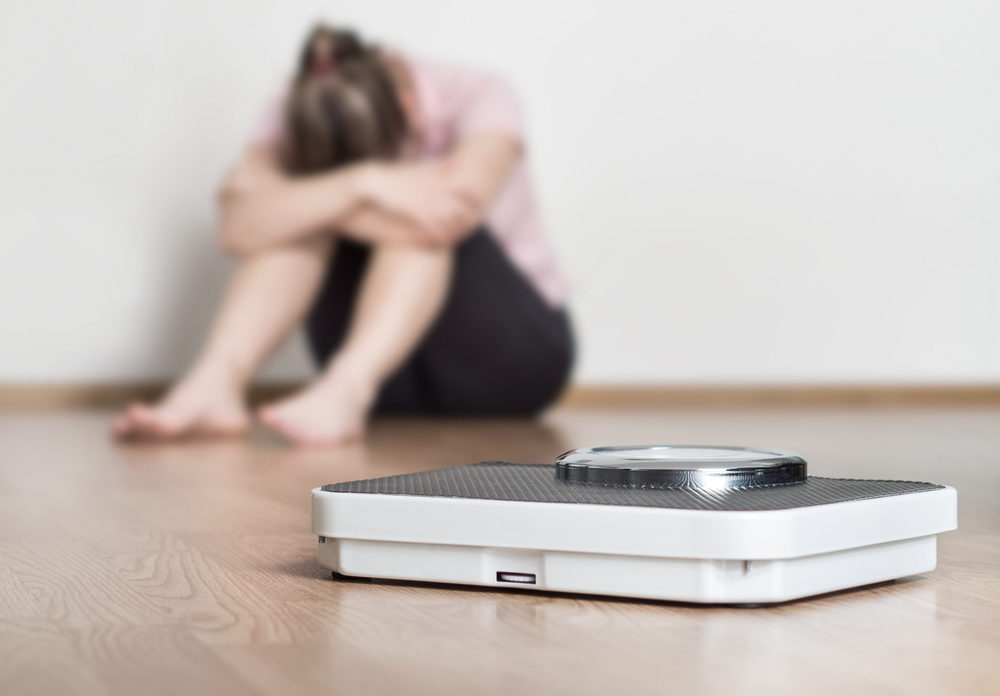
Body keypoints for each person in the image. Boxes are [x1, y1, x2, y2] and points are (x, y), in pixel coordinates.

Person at [112, 24, 573, 447]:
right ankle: (216, 383)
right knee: (303, 218)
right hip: (393, 384)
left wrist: (318, 199)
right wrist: (363, 184)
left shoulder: (479, 92)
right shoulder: (298, 105)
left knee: (413, 221)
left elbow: (449, 213)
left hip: (510, 361)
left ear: (408, 107)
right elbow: (236, 228)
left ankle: (346, 388)